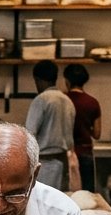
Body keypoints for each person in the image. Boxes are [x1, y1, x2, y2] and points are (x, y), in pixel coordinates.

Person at [25, 60, 75, 190]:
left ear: (37, 79)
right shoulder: (67, 100)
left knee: (43, 204)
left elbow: (29, 134)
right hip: (63, 162)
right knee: (59, 202)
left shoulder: (41, 100)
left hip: (45, 164)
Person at [63, 63, 101, 192]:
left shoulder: (63, 100)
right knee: (87, 193)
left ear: (67, 81)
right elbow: (97, 133)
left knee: (66, 194)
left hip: (66, 153)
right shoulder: (92, 102)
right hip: (85, 152)